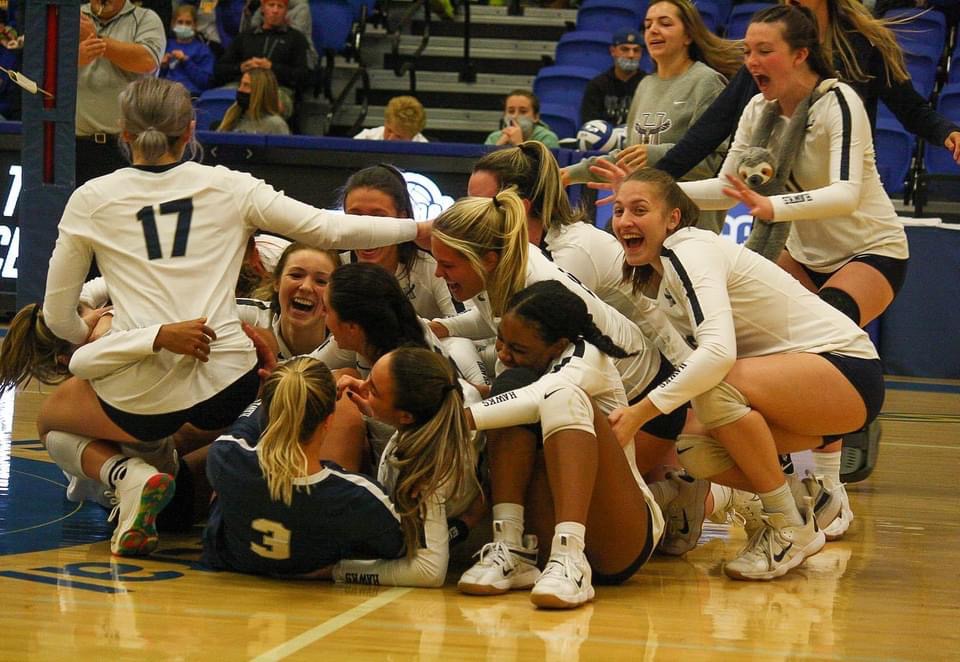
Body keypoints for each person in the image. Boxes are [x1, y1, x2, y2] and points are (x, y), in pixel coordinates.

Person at [37, 77, 429, 557]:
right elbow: (326, 228)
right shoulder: (230, 184)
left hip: (137, 395)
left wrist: (95, 339)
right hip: (228, 383)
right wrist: (421, 227)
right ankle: (177, 491)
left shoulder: (92, 197)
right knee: (171, 430)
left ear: (123, 130)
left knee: (53, 421)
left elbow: (58, 316)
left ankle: (129, 479)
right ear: (191, 129)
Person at [675, 5, 910, 537]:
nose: (752, 61)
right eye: (748, 51)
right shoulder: (760, 108)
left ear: (799, 54)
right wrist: (652, 192)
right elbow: (729, 188)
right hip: (805, 253)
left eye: (764, 51)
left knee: (819, 354)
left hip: (871, 250)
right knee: (771, 360)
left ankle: (828, 488)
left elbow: (848, 193)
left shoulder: (838, 101)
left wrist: (773, 208)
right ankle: (810, 482)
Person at [607, 168, 881, 580]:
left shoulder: (689, 249)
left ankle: (787, 523)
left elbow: (717, 354)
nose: (625, 220)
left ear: (673, 218)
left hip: (847, 369)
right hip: (800, 392)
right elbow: (691, 364)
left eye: (639, 209)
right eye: (618, 210)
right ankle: (798, 502)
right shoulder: (656, 281)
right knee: (695, 448)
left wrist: (638, 413)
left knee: (716, 389)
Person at [455, 280, 665, 609]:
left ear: (558, 345)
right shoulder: (514, 365)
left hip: (618, 533)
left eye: (518, 349)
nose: (504, 354)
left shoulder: (587, 356)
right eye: (500, 341)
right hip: (543, 527)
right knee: (506, 390)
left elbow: (535, 397)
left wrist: (460, 419)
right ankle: (510, 546)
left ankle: (571, 556)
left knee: (559, 395)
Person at [426, 190, 684, 453]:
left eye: (447, 265)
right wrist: (443, 327)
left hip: (646, 407)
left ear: (488, 260)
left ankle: (699, 491)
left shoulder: (535, 290)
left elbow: (539, 392)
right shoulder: (505, 261)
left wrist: (460, 416)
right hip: (618, 394)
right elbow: (490, 319)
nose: (438, 272)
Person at [653, 0, 960, 181]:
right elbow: (712, 126)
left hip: (845, 186)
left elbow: (910, 108)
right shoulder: (769, 54)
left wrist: (947, 132)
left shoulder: (860, 47)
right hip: (787, 188)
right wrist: (658, 176)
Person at [201, 357, 405, 577]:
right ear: (328, 421)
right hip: (312, 581)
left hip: (235, 567)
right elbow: (399, 549)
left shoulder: (225, 455)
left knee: (226, 486)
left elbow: (253, 418)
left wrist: (279, 387)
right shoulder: (359, 497)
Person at [565, 0, 742, 233]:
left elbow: (713, 164)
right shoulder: (645, 85)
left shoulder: (707, 82)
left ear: (688, 35)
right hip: (644, 224)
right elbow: (628, 157)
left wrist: (652, 155)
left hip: (691, 226)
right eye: (648, 25)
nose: (653, 30)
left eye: (665, 23)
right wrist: (568, 174)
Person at [326, 347, 481, 586]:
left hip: (459, 548)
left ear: (407, 416)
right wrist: (375, 404)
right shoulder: (439, 392)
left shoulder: (425, 469)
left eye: (373, 390)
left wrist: (335, 571)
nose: (361, 386)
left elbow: (428, 571)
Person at [340, 165, 458, 319]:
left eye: (379, 218)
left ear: (403, 219)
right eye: (355, 216)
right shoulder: (333, 266)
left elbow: (468, 333)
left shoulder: (432, 268)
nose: (366, 228)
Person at [76, 0, 166, 183]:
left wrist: (96, 39)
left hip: (131, 146)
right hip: (76, 143)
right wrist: (72, 58)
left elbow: (147, 62)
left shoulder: (145, 18)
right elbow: (46, 64)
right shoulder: (73, 16)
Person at [236, 243, 341, 359]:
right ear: (277, 282)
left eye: (321, 281)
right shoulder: (247, 316)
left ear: (335, 293)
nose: (306, 287)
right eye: (296, 275)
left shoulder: (346, 340)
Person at [213, 0, 309, 119]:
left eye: (280, 6)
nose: (275, 10)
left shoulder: (296, 39)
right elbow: (219, 69)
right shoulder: (246, 36)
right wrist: (241, 67)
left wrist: (272, 67)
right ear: (263, 8)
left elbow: (303, 76)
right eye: (271, 5)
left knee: (269, 104)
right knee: (216, 100)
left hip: (278, 89)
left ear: (286, 11)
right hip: (241, 84)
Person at [579, 29, 646, 127]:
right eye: (625, 49)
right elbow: (589, 124)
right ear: (613, 51)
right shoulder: (597, 85)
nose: (631, 55)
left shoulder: (648, 84)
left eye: (636, 50)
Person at [159, 4, 214, 97]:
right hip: (165, 94)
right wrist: (163, 67)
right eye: (180, 22)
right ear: (173, 24)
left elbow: (205, 82)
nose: (183, 26)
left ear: (195, 25)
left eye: (188, 23)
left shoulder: (203, 50)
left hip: (191, 96)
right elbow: (154, 77)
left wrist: (186, 61)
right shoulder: (165, 45)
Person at [216, 69, 290, 134]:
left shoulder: (276, 124)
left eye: (246, 85)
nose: (240, 89)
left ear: (260, 92)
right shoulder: (231, 118)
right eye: (240, 85)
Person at [484, 89, 560, 149]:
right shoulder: (494, 137)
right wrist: (498, 146)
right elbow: (480, 166)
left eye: (523, 112)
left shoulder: (547, 138)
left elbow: (547, 168)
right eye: (511, 111)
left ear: (536, 117)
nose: (515, 116)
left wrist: (519, 144)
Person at [354, 96, 429, 142]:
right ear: (386, 122)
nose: (390, 139)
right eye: (389, 131)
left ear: (413, 136)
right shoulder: (366, 138)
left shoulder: (425, 151)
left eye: (399, 136)